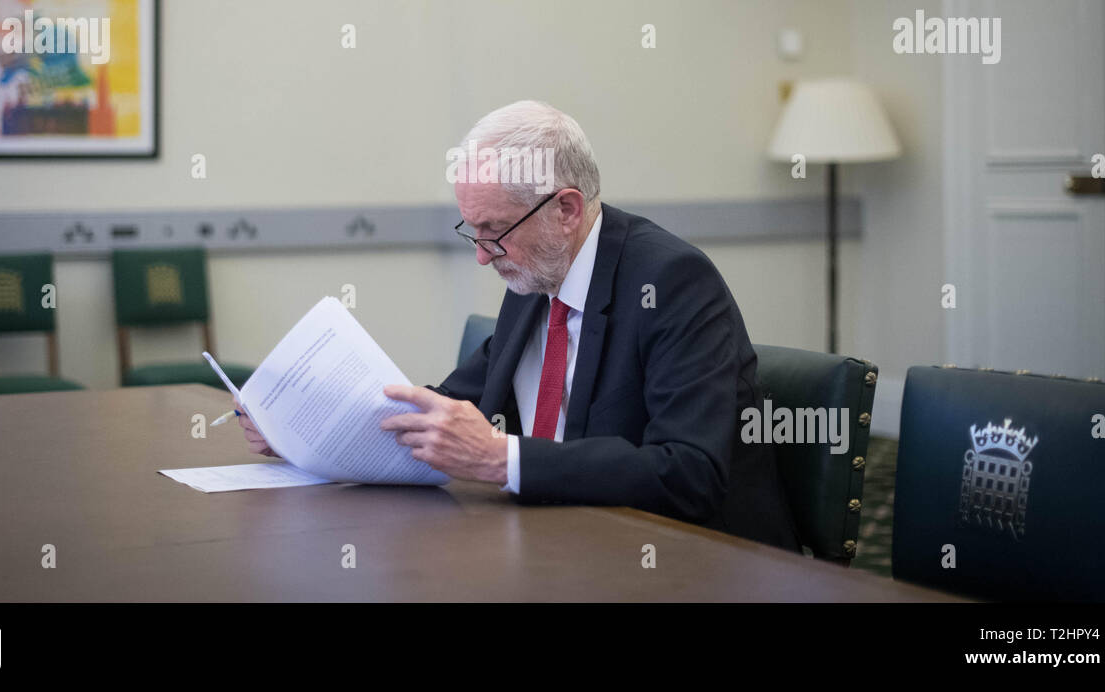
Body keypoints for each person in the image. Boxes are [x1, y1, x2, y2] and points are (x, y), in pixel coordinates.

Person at [238, 100, 800, 550]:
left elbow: (690, 473)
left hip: (690, 561)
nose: (483, 256)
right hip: (562, 543)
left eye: (496, 231)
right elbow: (454, 405)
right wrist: (304, 427)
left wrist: (499, 457)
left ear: (567, 209)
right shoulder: (536, 273)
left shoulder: (672, 282)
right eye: (473, 231)